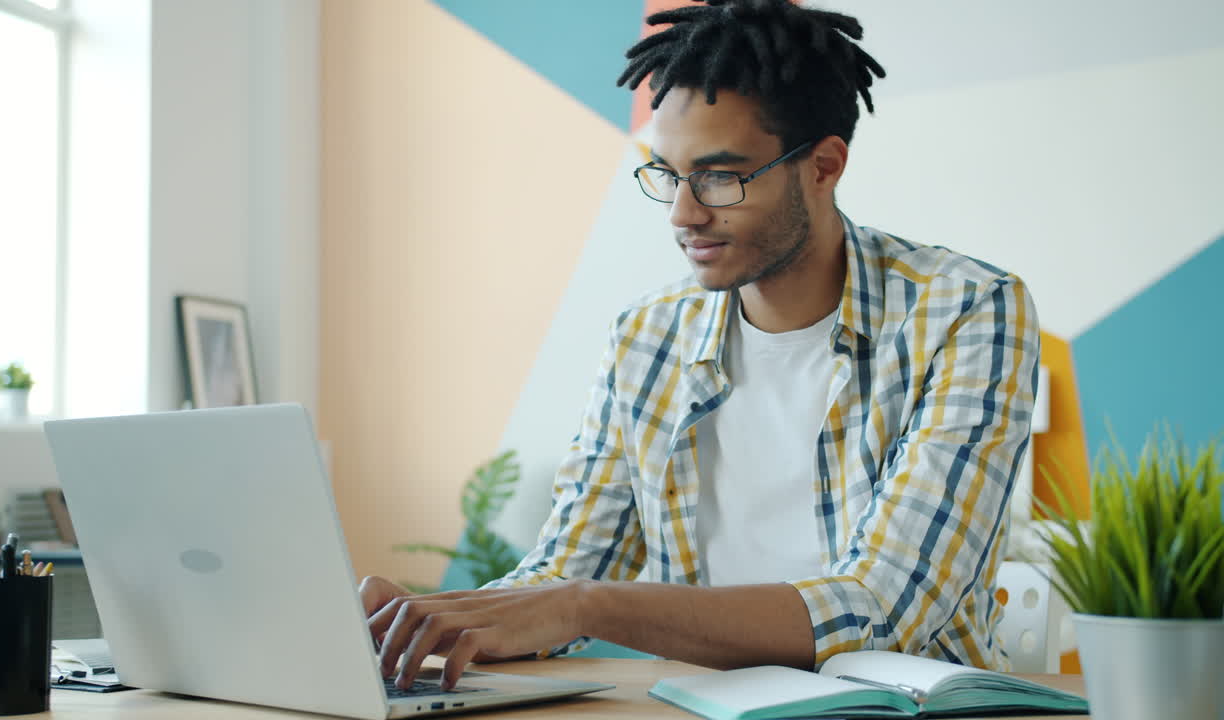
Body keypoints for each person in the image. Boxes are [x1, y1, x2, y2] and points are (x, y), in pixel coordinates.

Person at [361, 0, 1040, 691]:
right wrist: (432, 620)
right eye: (669, 174)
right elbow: (568, 571)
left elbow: (884, 609)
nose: (685, 214)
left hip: (906, 709)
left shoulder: (965, 312)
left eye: (720, 176)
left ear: (825, 166)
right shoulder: (647, 338)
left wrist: (581, 606)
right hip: (707, 710)